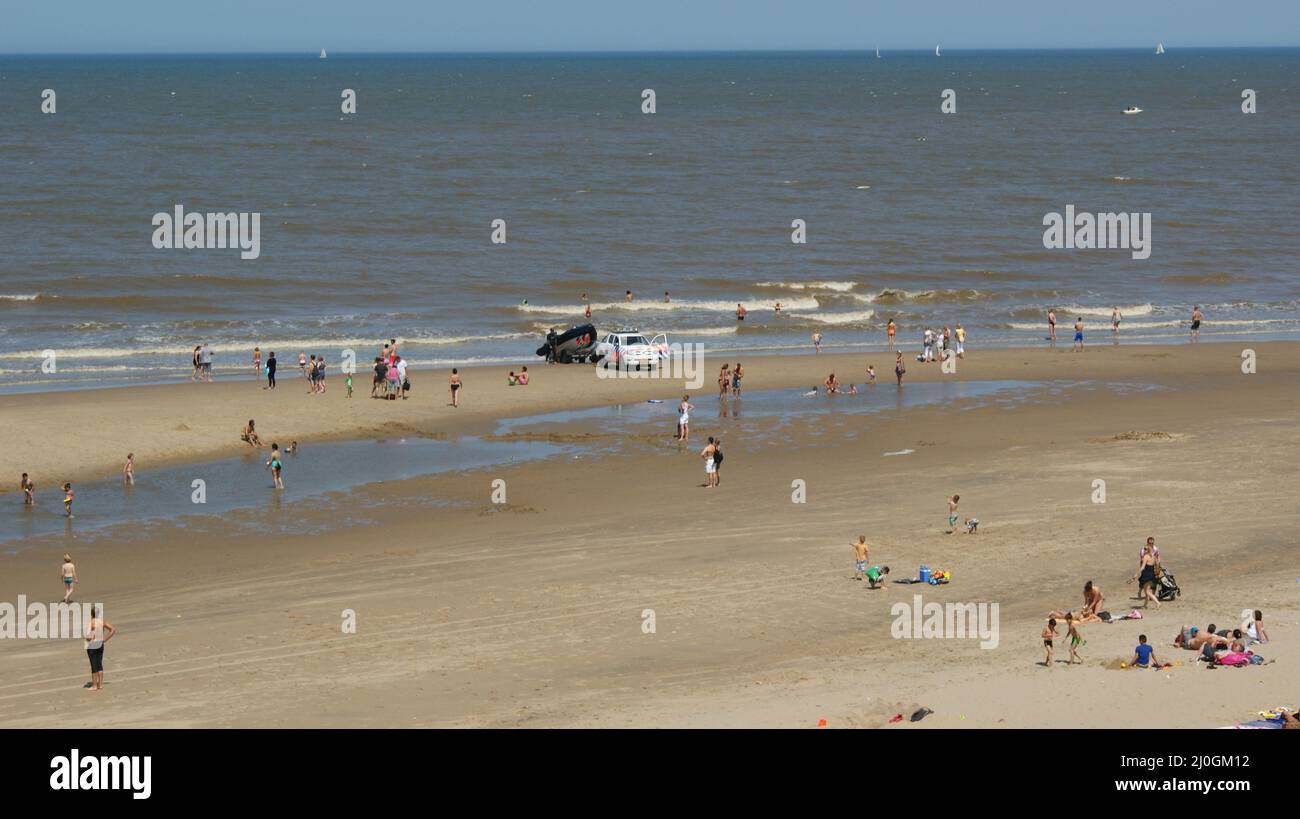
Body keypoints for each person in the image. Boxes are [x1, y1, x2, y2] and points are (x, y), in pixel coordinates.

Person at [85, 605, 115, 692]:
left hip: (93, 645)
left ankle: (94, 686)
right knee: (99, 664)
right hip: (100, 643)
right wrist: (105, 639)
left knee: (94, 665)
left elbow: (88, 637)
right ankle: (101, 684)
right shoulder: (102, 621)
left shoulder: (91, 622)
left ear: (92, 614)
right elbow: (113, 629)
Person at [1131, 543, 1161, 608]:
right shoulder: (1153, 556)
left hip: (1146, 575)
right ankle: (1145, 605)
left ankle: (1158, 603)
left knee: (1147, 591)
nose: (1144, 550)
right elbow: (1157, 564)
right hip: (1151, 574)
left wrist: (1136, 574)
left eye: (1145, 549)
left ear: (1148, 549)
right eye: (1144, 549)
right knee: (1146, 590)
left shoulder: (1146, 557)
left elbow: (1142, 567)